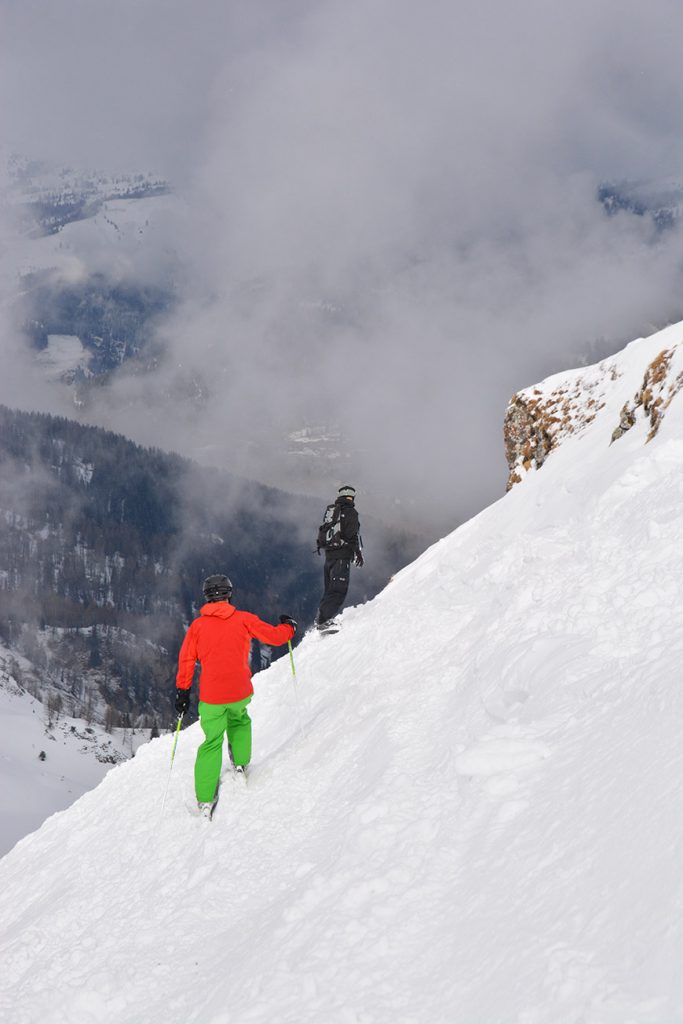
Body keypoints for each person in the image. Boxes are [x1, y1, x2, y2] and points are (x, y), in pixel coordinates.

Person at [174, 573, 296, 816]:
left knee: (211, 742)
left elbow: (186, 661)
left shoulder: (198, 627)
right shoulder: (243, 619)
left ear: (207, 598)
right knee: (240, 721)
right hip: (239, 691)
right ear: (229, 594)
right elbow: (274, 636)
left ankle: (205, 800)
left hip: (212, 697)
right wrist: (288, 627)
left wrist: (182, 692)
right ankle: (240, 763)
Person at [315, 485, 363, 631]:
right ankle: (324, 621)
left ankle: (321, 618)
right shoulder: (350, 512)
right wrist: (357, 553)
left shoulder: (332, 511)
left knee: (330, 589)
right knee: (338, 590)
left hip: (329, 556)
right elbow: (352, 536)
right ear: (352, 497)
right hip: (342, 557)